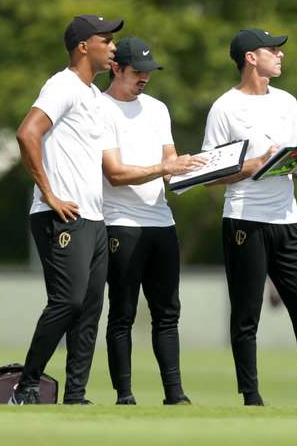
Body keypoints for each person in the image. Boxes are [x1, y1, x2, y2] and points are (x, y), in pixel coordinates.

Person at [201, 29, 297, 407]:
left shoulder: (288, 102)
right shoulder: (224, 107)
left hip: (287, 218)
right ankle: (251, 397)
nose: (281, 56)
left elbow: (288, 162)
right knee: (246, 313)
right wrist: (256, 164)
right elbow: (211, 174)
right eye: (272, 50)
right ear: (250, 58)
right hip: (245, 219)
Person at [10, 14, 123, 405]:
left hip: (93, 218)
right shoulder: (63, 86)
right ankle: (25, 387)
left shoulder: (93, 95)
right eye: (105, 40)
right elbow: (27, 133)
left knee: (90, 309)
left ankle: (76, 395)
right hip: (60, 214)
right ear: (82, 47)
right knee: (68, 301)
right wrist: (50, 194)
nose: (113, 47)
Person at [100, 37, 204, 406]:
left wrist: (201, 170)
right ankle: (124, 394)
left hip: (162, 222)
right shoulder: (100, 108)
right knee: (123, 311)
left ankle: (174, 394)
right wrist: (166, 168)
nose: (144, 77)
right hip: (120, 223)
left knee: (167, 312)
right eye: (137, 71)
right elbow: (114, 174)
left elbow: (171, 166)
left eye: (148, 71)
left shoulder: (157, 109)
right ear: (116, 68)